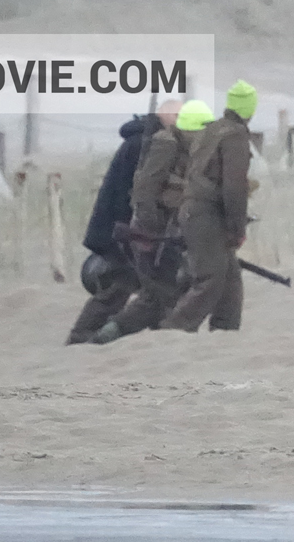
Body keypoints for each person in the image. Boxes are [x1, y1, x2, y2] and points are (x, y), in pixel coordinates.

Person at [90, 99, 214, 344]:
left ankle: (147, 337)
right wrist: (150, 231)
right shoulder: (164, 146)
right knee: (156, 296)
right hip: (153, 235)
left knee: (164, 292)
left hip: (169, 233)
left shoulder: (188, 150)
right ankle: (106, 336)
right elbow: (144, 194)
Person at [64, 102, 180, 345]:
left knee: (145, 282)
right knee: (119, 283)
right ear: (168, 116)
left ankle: (151, 327)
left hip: (127, 227)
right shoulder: (143, 144)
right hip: (120, 228)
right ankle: (82, 336)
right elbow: (136, 193)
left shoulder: (147, 141)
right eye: (179, 116)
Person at [166, 82, 257, 333]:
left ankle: (225, 332)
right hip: (207, 215)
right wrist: (237, 228)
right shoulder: (235, 135)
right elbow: (234, 188)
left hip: (193, 211)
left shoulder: (213, 130)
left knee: (229, 281)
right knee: (210, 281)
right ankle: (172, 332)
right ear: (250, 108)